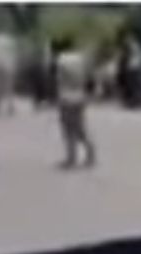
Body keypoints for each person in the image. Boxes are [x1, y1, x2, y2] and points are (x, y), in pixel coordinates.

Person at [53, 37, 95, 169]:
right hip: (80, 96)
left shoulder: (60, 60)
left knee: (68, 129)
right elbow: (89, 78)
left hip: (66, 97)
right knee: (80, 127)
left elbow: (59, 79)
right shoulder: (81, 58)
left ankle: (71, 158)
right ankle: (90, 154)